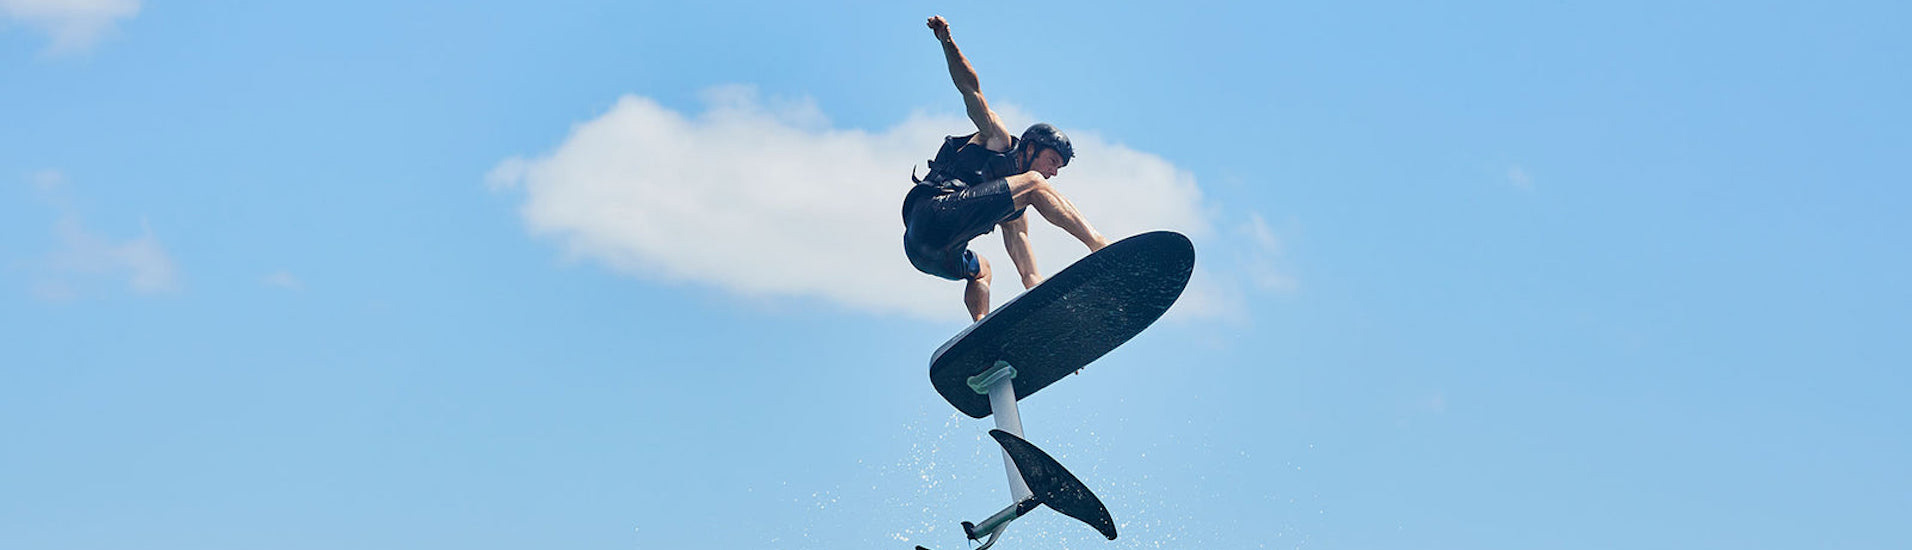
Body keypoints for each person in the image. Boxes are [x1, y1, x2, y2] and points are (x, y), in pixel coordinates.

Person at [903, 15, 1113, 322]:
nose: (1053, 173)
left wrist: (1045, 309)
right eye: (1052, 161)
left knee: (982, 270)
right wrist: (947, 42)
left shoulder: (1014, 207)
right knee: (1034, 184)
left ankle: (980, 330)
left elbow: (1030, 274)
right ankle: (1100, 245)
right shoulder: (997, 140)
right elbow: (970, 90)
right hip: (932, 213)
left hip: (928, 254)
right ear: (1030, 148)